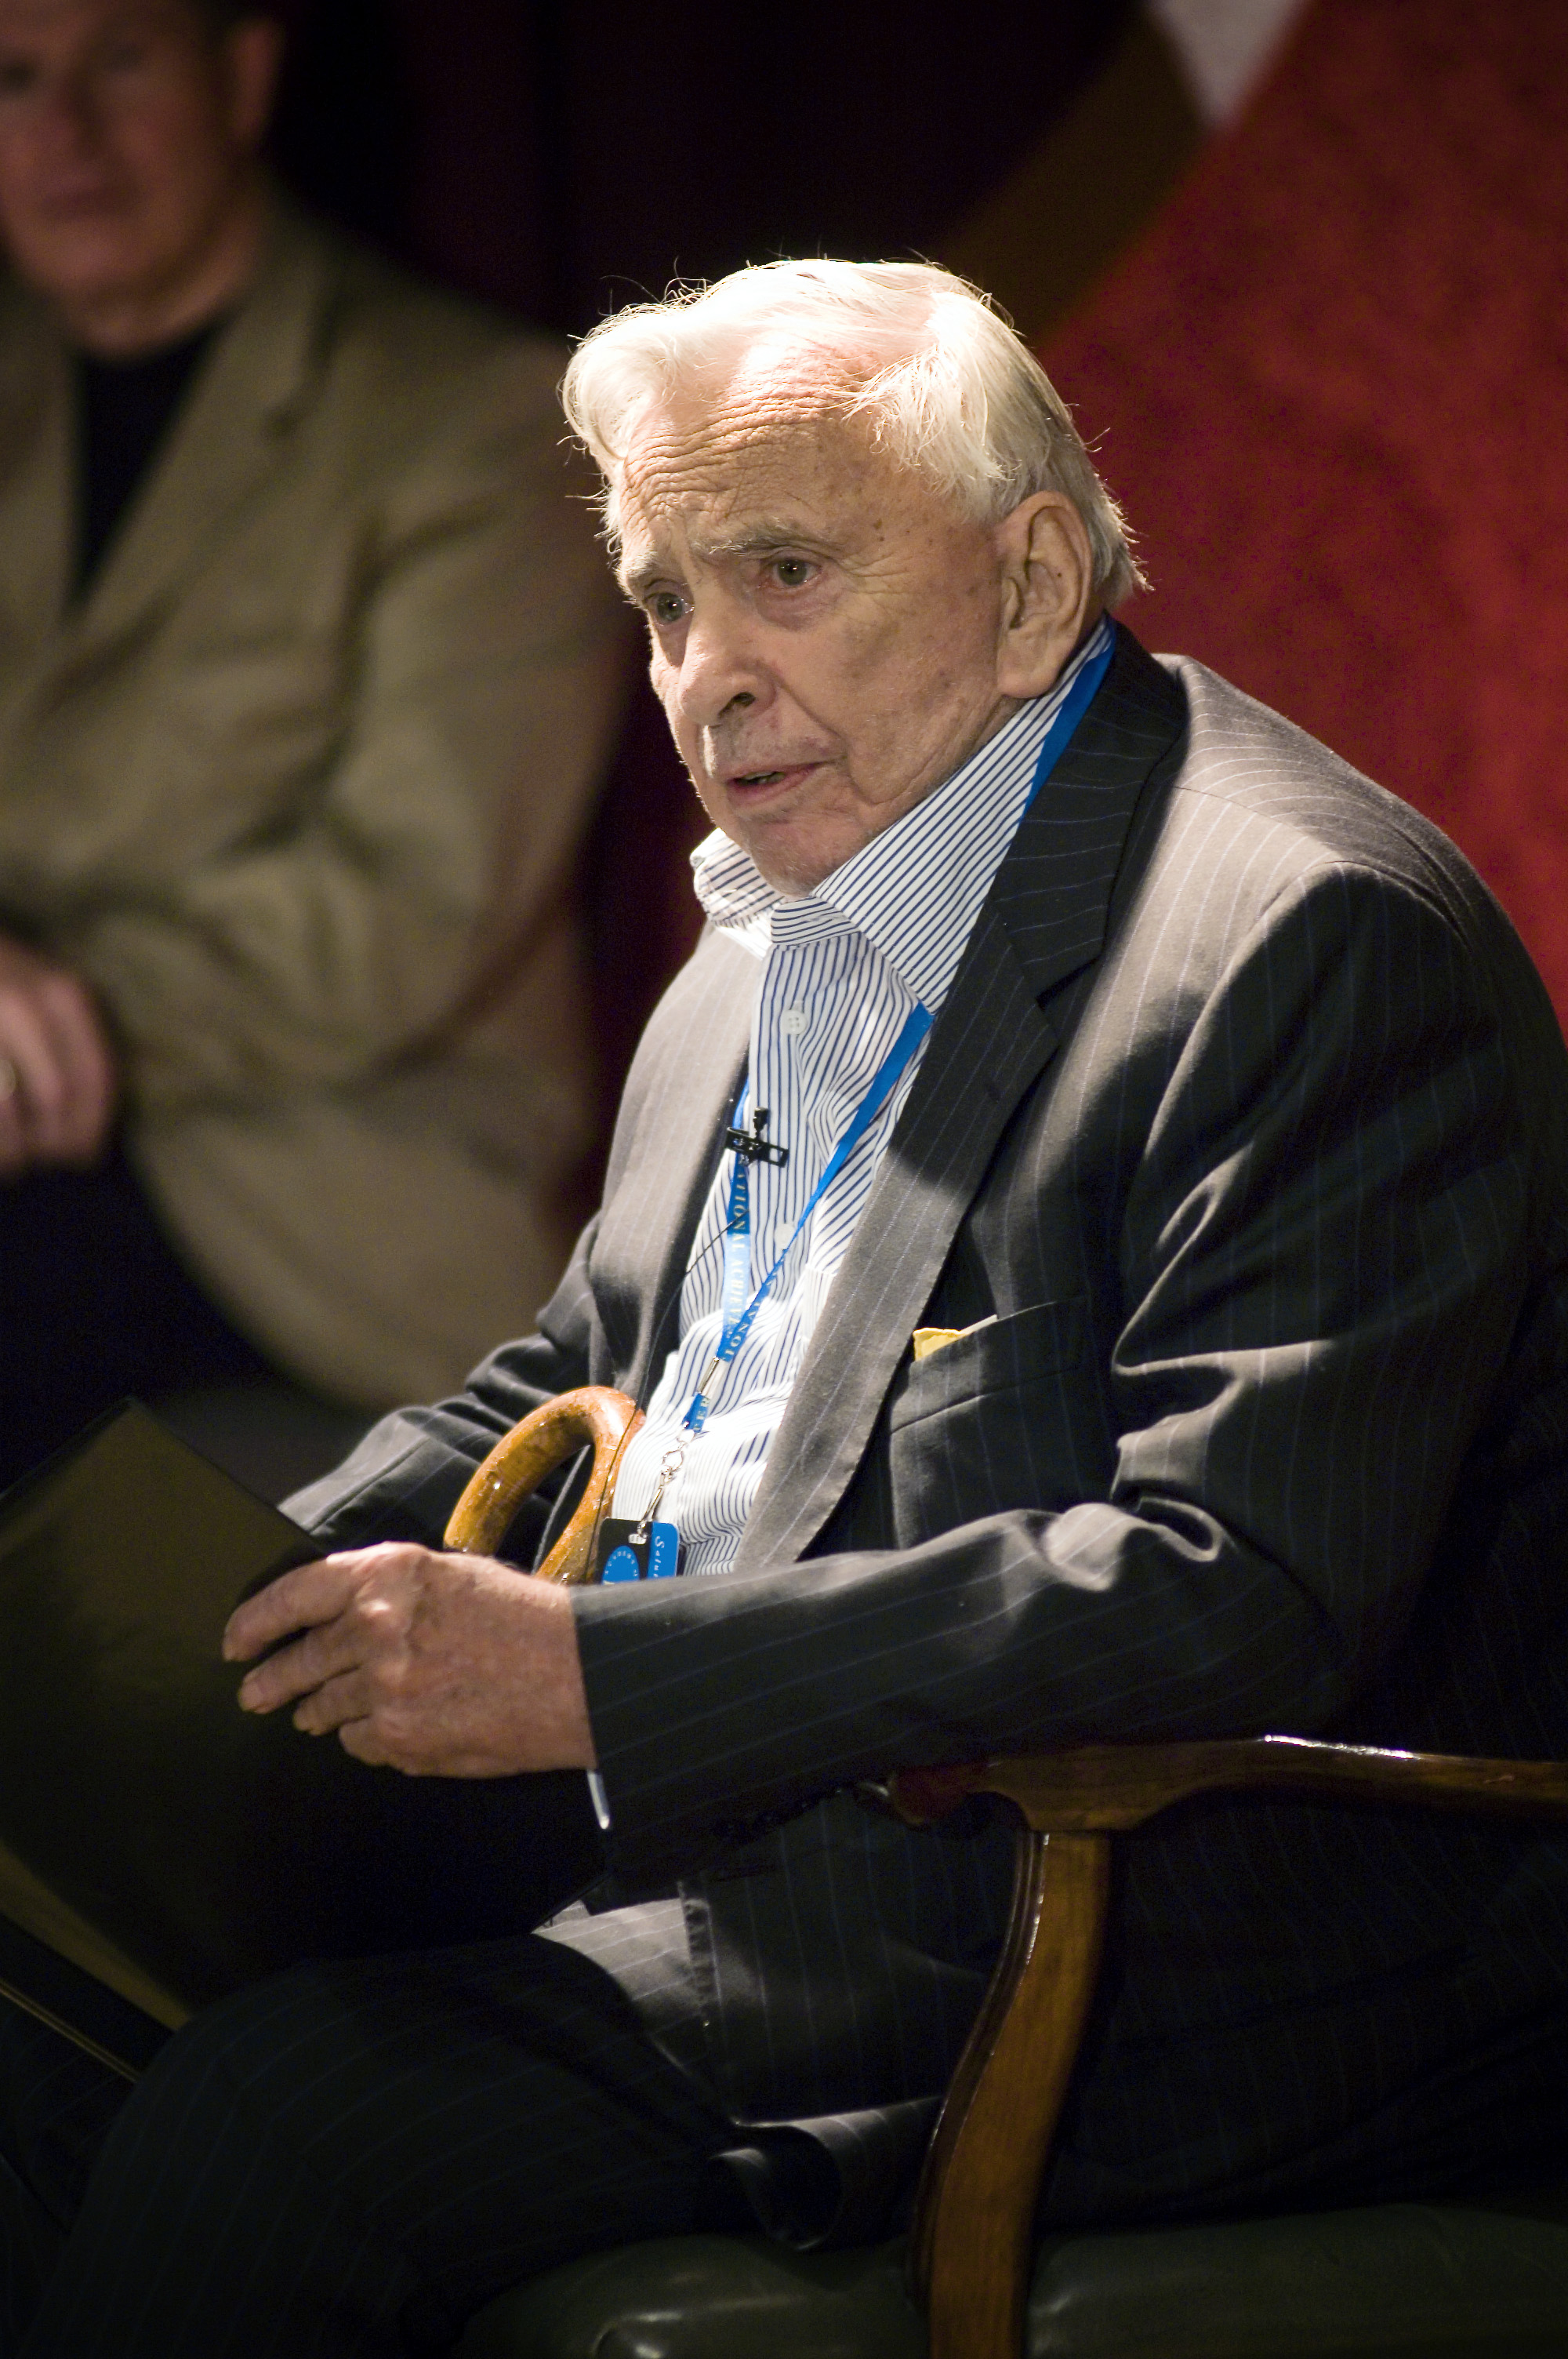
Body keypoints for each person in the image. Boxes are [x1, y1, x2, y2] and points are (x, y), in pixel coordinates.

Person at [2, 256, 1567, 2354]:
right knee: (34, 2003)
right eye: (664, 601)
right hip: (712, 1829)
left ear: (1027, 591)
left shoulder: (1310, 941)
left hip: (1101, 1929)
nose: (705, 680)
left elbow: (1238, 1582)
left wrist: (603, 1687)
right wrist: (209, 1624)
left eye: (787, 573)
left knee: (277, 2123)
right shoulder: (779, 922)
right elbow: (585, 1369)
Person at [0, 0, 627, 1478]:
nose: (64, 131)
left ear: (246, 72)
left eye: (122, 58)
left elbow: (401, 914)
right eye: (13, 77)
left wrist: (35, 1037)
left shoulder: (481, 419)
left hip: (316, 1219)